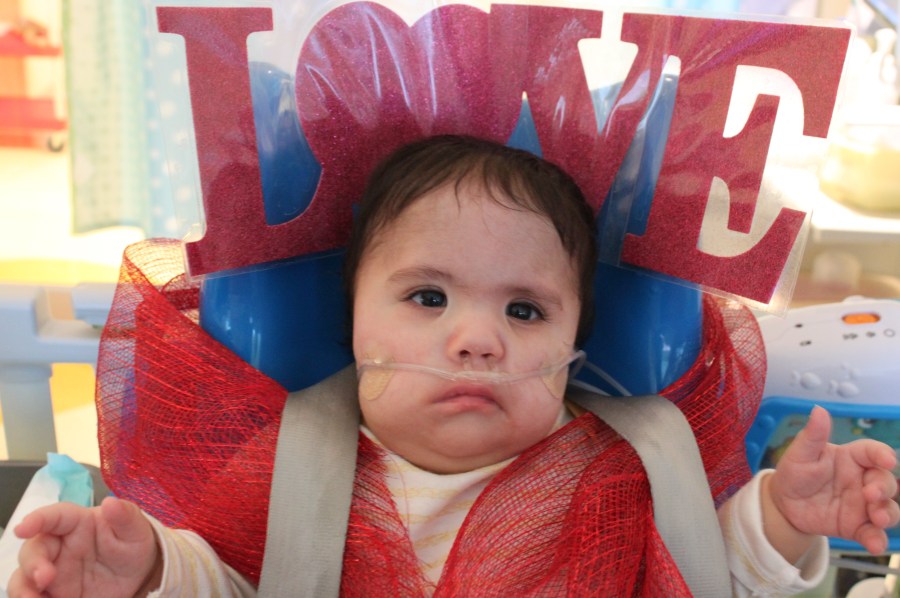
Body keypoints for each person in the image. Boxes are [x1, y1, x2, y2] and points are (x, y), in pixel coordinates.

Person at [7, 135, 900, 597]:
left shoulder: (633, 466)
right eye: (428, 299)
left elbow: (713, 575)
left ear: (575, 344)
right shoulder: (293, 464)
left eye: (525, 311)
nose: (479, 340)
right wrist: (152, 571)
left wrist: (782, 517)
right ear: (351, 320)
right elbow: (238, 583)